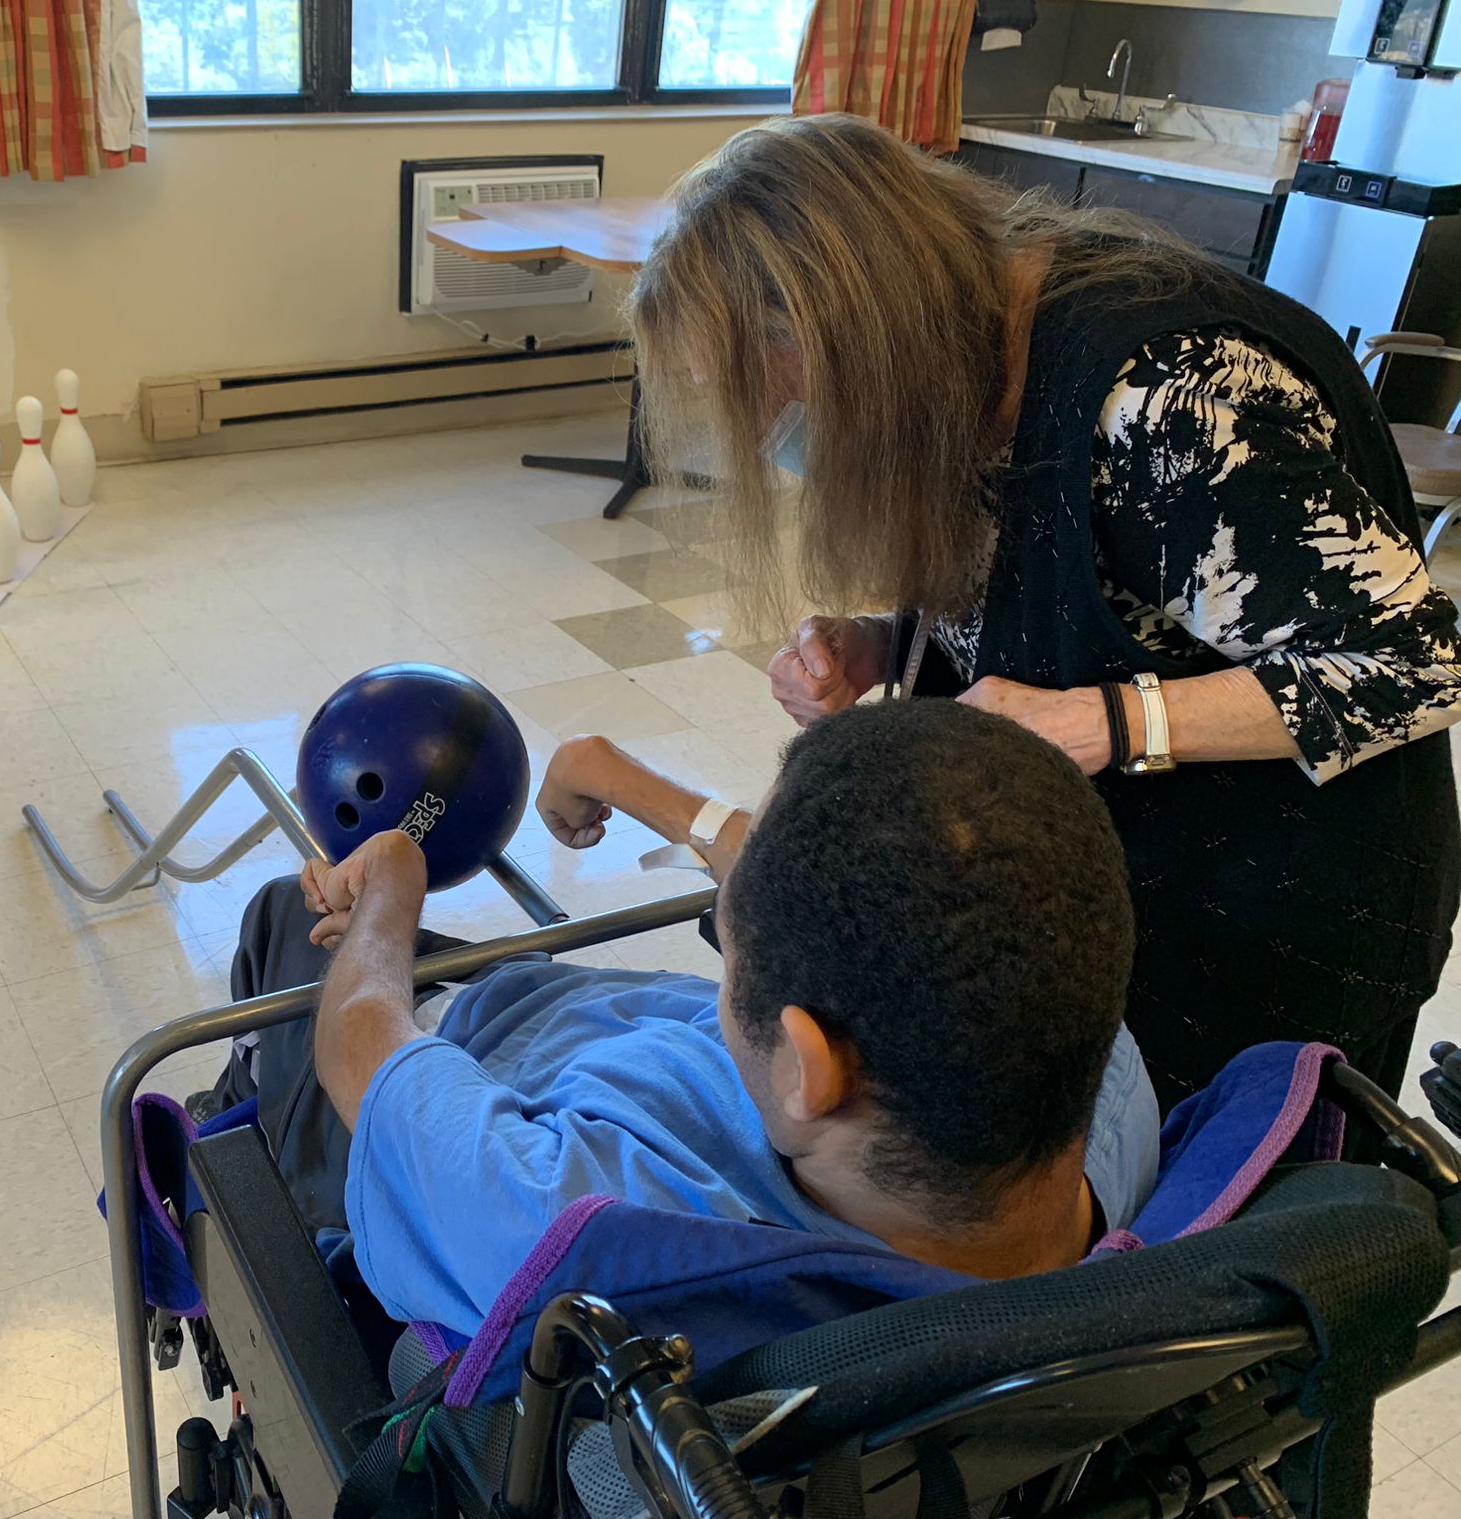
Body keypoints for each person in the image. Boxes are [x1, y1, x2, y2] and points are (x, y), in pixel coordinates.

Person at [626, 113, 1461, 1106]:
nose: (783, 433)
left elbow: (1413, 662)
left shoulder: (1163, 397)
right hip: (1117, 902)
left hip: (1278, 924)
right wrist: (883, 642)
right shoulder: (960, 357)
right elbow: (1077, 584)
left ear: (857, 337)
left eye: (783, 400)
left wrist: (1106, 723)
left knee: (1238, 1192)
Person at [211, 700, 1160, 1337]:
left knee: (281, 921)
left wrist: (392, 883)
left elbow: (360, 1043)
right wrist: (625, 782)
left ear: (807, 1071)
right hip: (558, 1045)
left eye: (729, 953)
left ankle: (215, 1174)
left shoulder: (576, 1227)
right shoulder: (1104, 1079)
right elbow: (860, 886)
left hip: (441, 1067)